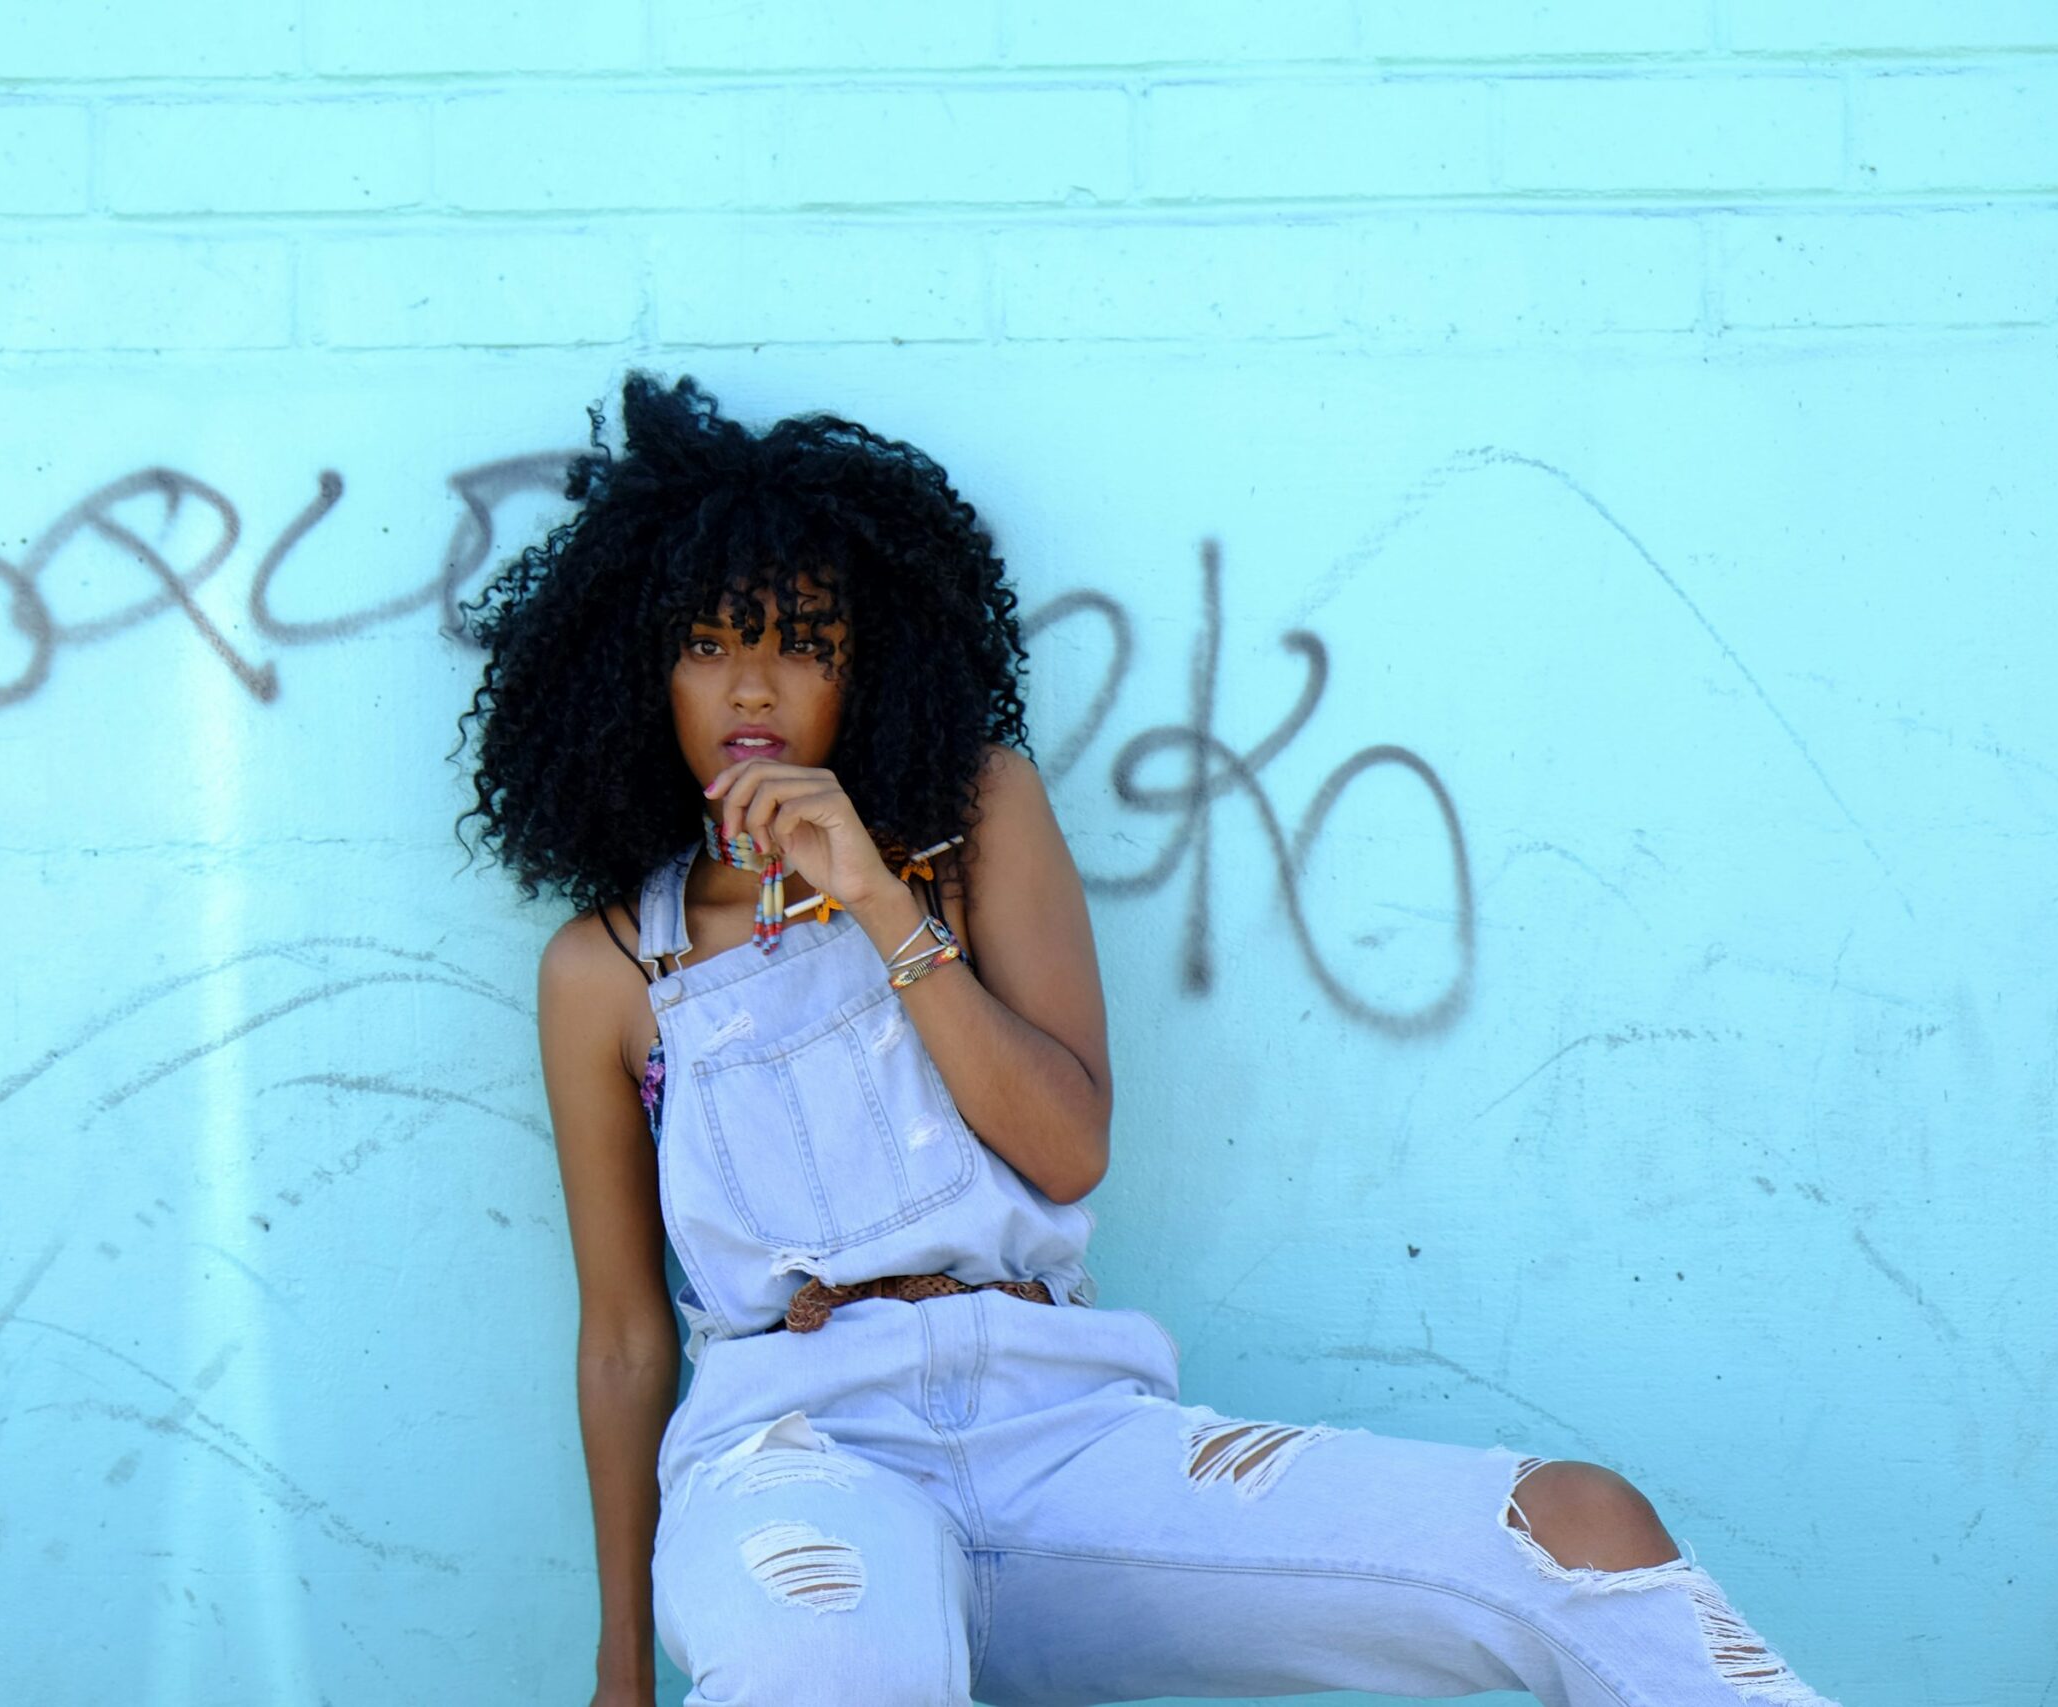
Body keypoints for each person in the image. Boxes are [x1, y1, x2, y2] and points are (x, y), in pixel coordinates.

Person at [455, 371, 1840, 1707]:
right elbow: (629, 1341)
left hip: (1066, 1436)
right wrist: (621, 1671)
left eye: (800, 645)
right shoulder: (607, 969)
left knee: (1575, 1536)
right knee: (840, 1661)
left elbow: (1065, 1146)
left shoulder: (970, 821)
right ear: (644, 674)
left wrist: (875, 895)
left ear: (863, 675)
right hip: (795, 1458)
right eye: (710, 646)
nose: (752, 690)